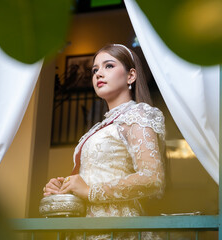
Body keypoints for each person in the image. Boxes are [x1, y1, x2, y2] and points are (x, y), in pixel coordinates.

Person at [43, 44, 165, 239]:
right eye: (95, 69)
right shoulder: (100, 127)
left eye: (108, 66)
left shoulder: (139, 114)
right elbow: (91, 179)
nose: (99, 74)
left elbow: (152, 178)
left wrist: (90, 191)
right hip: (86, 230)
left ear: (131, 76)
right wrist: (64, 188)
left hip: (119, 230)